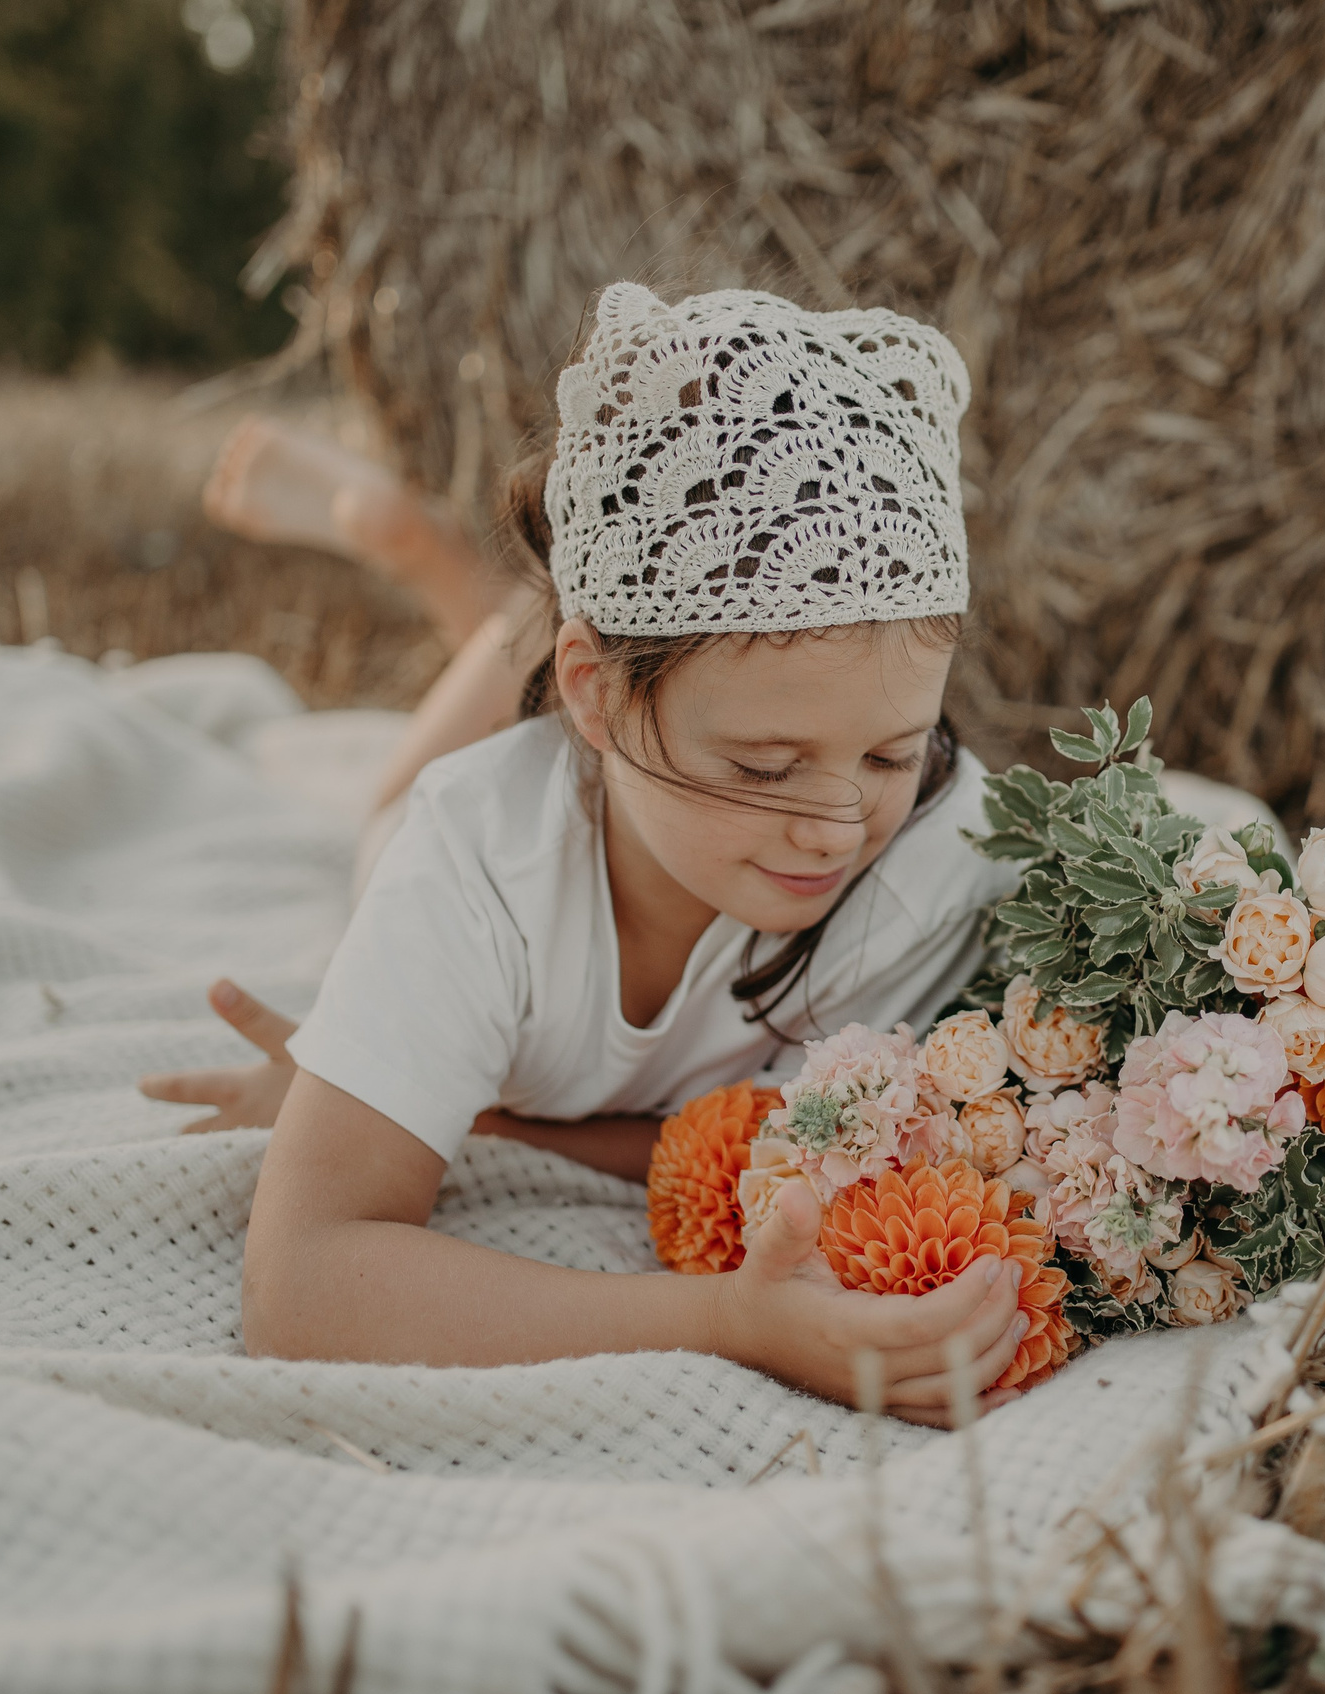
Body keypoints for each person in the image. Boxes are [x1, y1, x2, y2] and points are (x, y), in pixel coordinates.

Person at [140, 284, 1029, 1422]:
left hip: (604, 686)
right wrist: (725, 1319)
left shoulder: (934, 861)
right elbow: (300, 1289)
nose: (836, 825)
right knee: (394, 795)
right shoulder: (477, 853)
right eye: (763, 766)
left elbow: (712, 1128)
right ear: (598, 700)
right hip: (511, 756)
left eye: (894, 750)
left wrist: (412, 1100)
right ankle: (410, 540)